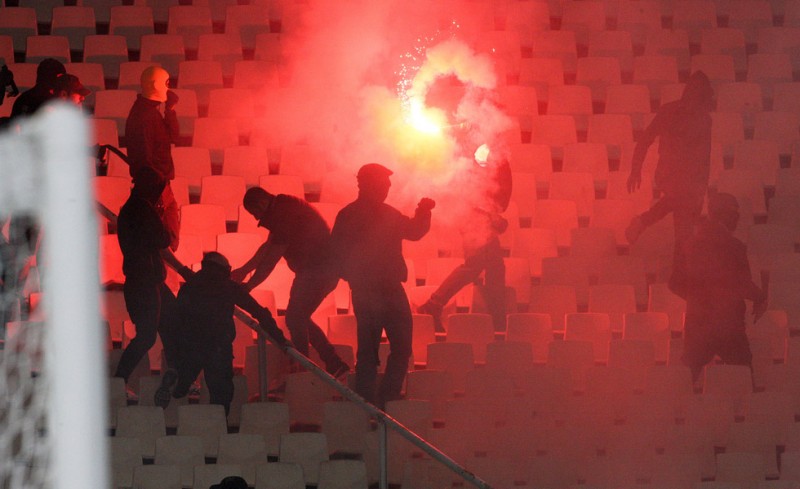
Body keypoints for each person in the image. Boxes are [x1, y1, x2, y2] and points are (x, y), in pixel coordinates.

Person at [330, 163, 434, 408]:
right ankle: (386, 399)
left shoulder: (348, 214)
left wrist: (353, 277)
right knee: (399, 347)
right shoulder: (386, 214)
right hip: (386, 289)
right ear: (372, 184)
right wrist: (424, 212)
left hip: (368, 290)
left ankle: (367, 403)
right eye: (385, 183)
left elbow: (335, 254)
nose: (388, 187)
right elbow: (415, 231)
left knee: (369, 351)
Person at [231, 187, 349, 378]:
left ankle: (303, 369)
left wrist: (249, 286)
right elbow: (268, 247)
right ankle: (332, 362)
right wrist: (244, 270)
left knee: (295, 318)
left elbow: (270, 259)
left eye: (255, 213)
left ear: (261, 203)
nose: (256, 219)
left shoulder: (283, 215)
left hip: (317, 270)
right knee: (299, 318)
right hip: (318, 270)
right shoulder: (283, 208)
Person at [155, 252, 286, 415]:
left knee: (181, 386)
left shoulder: (190, 286)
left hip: (190, 345)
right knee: (221, 396)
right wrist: (281, 340)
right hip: (218, 346)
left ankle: (176, 382)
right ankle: (217, 427)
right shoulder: (228, 287)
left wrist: (175, 350)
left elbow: (177, 318)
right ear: (225, 270)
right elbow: (259, 312)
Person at [625, 71, 714, 288]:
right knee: (683, 226)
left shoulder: (702, 119)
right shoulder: (674, 112)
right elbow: (646, 138)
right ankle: (679, 279)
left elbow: (704, 157)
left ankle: (644, 222)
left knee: (683, 226)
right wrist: (635, 169)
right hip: (673, 177)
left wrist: (701, 189)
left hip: (687, 181)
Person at [673, 192, 767, 383]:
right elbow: (743, 285)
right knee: (744, 379)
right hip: (729, 325)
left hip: (698, 324)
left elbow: (674, 283)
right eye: (735, 214)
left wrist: (697, 299)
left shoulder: (688, 245)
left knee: (685, 384)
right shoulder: (735, 247)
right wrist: (760, 297)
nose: (737, 220)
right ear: (727, 215)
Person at [114, 168, 193, 388]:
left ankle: (177, 376)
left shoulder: (131, 209)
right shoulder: (143, 210)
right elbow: (164, 239)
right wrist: (161, 213)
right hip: (146, 282)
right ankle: (119, 381)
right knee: (149, 335)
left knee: (170, 325)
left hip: (146, 280)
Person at [418, 150, 512, 332]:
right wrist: (490, 215)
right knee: (477, 265)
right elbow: (469, 188)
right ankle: (434, 304)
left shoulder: (488, 148)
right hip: (474, 216)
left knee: (494, 268)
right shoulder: (481, 148)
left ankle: (496, 320)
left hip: (480, 215)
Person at [125, 65, 181, 250]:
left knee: (168, 239)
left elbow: (172, 136)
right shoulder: (145, 116)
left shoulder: (147, 112)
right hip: (156, 189)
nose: (168, 88)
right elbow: (144, 158)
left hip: (158, 186)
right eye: (166, 83)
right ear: (157, 85)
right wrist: (155, 190)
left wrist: (170, 109)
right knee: (165, 242)